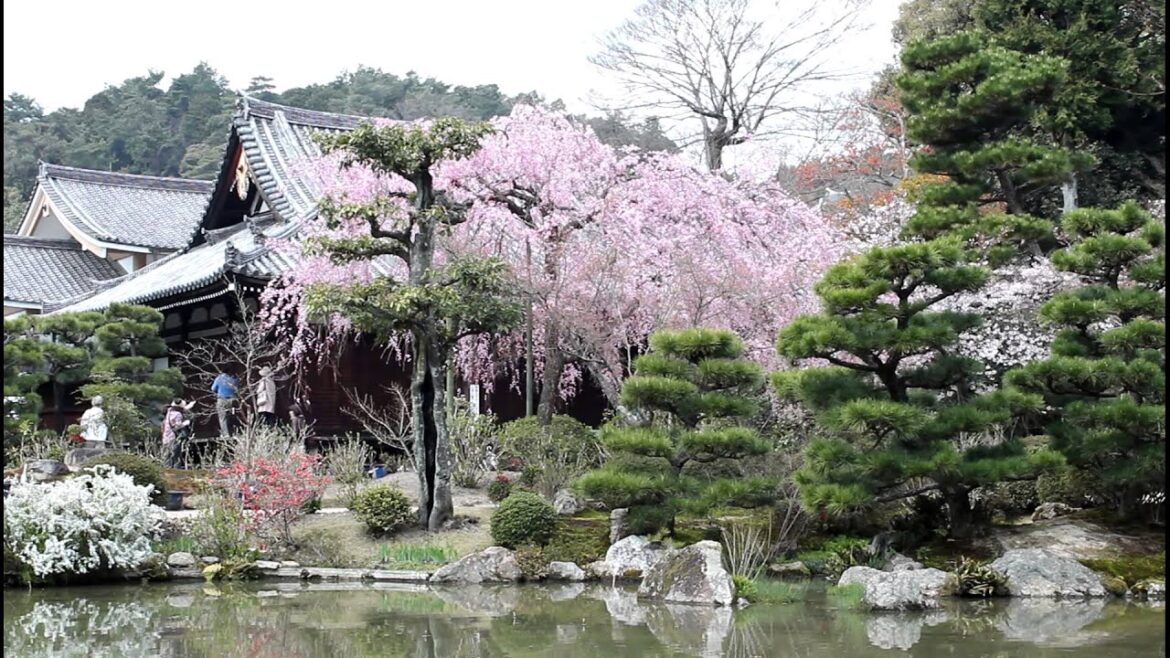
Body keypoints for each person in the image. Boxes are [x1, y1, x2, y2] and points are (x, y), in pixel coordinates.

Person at [161, 398, 194, 469]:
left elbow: (182, 408)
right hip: (174, 438)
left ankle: (166, 473)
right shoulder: (178, 414)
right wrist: (185, 423)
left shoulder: (169, 411)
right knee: (176, 458)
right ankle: (177, 473)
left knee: (167, 458)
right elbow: (177, 426)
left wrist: (190, 405)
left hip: (166, 438)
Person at [211, 371, 238, 437]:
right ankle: (234, 432)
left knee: (222, 417)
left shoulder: (220, 378)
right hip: (233, 399)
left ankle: (225, 434)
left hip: (222, 399)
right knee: (231, 416)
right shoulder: (235, 378)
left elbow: (213, 388)